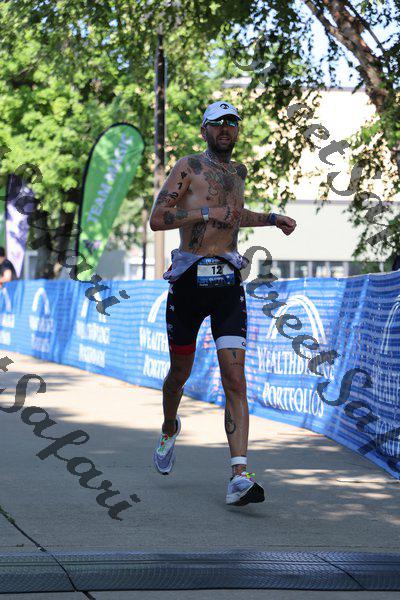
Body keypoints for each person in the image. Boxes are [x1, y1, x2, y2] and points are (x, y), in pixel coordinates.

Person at [149, 100, 297, 506]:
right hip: (189, 282)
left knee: (235, 378)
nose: (226, 129)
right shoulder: (189, 167)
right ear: (205, 130)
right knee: (179, 373)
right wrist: (204, 212)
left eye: (232, 123)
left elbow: (234, 215)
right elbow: (158, 219)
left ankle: (239, 475)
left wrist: (271, 219)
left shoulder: (237, 172)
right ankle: (169, 426)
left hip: (228, 283)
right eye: (218, 124)